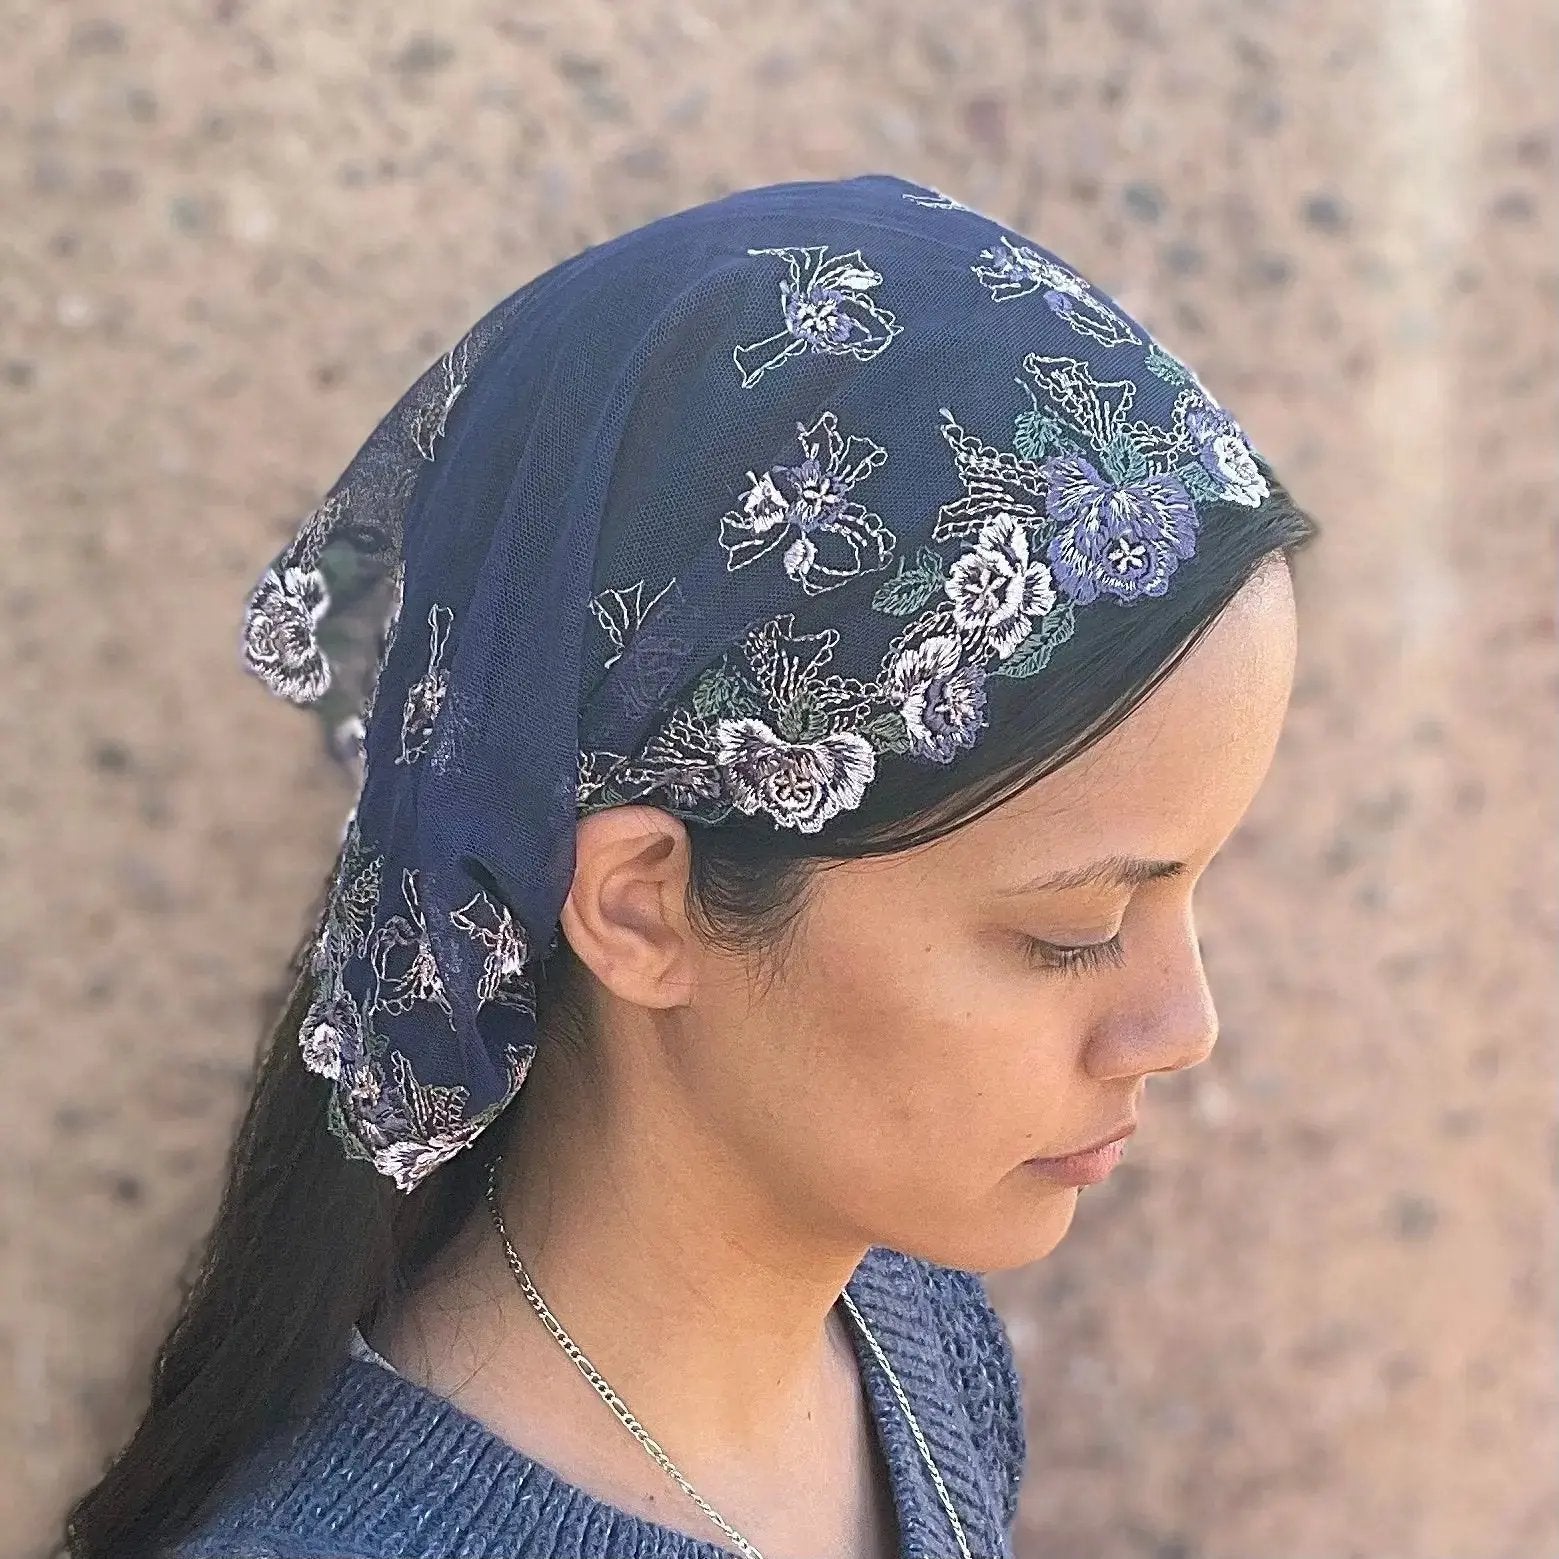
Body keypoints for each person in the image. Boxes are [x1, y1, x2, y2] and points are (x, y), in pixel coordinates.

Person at [64, 172, 1318, 1559]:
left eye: (1195, 883)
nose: (1183, 1028)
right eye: (1075, 929)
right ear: (641, 905)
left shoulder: (904, 1338)